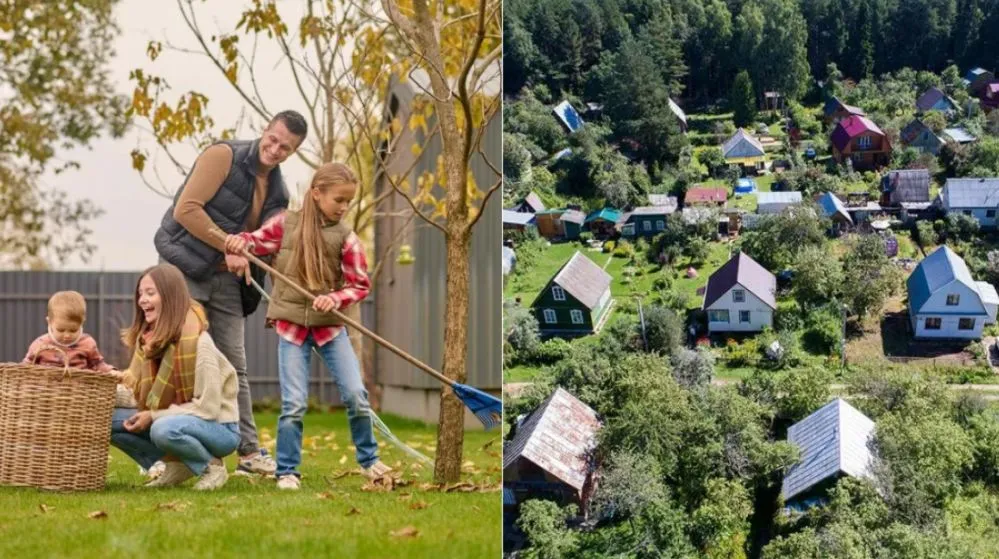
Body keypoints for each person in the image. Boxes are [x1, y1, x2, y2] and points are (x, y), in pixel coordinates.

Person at [153, 110, 309, 476]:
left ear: (294, 151)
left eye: (285, 148)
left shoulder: (279, 192)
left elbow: (266, 246)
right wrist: (230, 244)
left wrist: (279, 294)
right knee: (179, 357)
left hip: (226, 278)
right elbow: (186, 210)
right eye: (273, 140)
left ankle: (248, 452)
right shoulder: (222, 156)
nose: (275, 150)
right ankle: (167, 456)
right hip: (184, 266)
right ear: (265, 130)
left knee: (234, 364)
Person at [225, 162, 389, 490]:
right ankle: (287, 471)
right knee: (294, 403)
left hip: (329, 328)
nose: (344, 208)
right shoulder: (286, 225)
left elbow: (360, 285)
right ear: (316, 194)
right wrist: (238, 243)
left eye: (348, 202)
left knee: (357, 395)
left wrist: (336, 298)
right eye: (338, 200)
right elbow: (254, 241)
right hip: (292, 328)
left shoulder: (346, 237)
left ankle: (369, 461)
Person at [111, 263, 241, 490]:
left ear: (170, 297)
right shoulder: (149, 343)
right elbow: (137, 395)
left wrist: (153, 415)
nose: (142, 300)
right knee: (108, 419)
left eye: (150, 293)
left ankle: (212, 467)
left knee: (163, 429)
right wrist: (101, 391)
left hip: (219, 428)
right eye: (140, 294)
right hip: (176, 419)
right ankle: (177, 466)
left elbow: (207, 409)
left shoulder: (200, 344)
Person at [23, 291, 115, 373]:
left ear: (82, 323)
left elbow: (98, 364)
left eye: (73, 330)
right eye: (61, 330)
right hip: (46, 389)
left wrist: (111, 372)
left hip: (80, 389)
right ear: (49, 322)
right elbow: (26, 366)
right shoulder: (40, 344)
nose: (67, 335)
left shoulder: (87, 343)